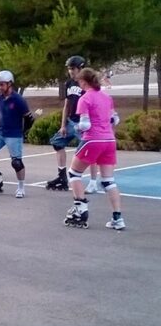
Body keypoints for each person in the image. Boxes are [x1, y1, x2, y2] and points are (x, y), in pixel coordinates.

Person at [63, 68, 124, 230]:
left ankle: (80, 208)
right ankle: (117, 218)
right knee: (108, 181)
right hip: (109, 140)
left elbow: (85, 124)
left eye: (79, 82)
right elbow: (115, 119)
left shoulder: (85, 98)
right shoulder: (106, 97)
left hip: (92, 140)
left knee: (73, 174)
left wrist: (76, 127)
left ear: (83, 82)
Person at [46, 56, 100, 193]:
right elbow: (67, 105)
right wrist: (63, 125)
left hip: (85, 124)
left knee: (91, 152)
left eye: (73, 69)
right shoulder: (69, 84)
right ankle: (62, 177)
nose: (71, 71)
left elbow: (95, 103)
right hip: (71, 122)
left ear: (80, 68)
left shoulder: (88, 85)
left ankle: (93, 182)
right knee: (57, 143)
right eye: (69, 69)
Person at [0, 70, 36, 198]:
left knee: (16, 162)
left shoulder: (18, 100)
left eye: (2, 84)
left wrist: (24, 132)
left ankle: (21, 187)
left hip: (14, 135)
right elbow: (1, 113)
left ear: (10, 84)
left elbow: (29, 118)